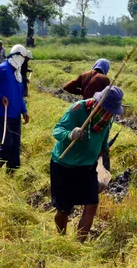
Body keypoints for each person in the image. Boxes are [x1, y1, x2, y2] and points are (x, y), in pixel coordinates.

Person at [50, 86, 123, 243]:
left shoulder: (107, 118)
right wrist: (70, 134)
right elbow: (57, 130)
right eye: (107, 109)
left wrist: (104, 158)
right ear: (98, 103)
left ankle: (78, 244)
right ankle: (61, 238)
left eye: (112, 111)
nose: (109, 114)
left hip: (88, 166)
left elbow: (104, 137)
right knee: (63, 209)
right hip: (64, 166)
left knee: (91, 204)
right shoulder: (78, 109)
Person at [0, 44, 29, 173]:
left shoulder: (17, 74)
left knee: (15, 146)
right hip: (2, 113)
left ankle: (12, 173)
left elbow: (19, 96)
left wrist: (24, 111)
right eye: (22, 57)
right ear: (15, 55)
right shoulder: (2, 69)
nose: (23, 60)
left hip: (15, 114)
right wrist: (0, 96)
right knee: (6, 143)